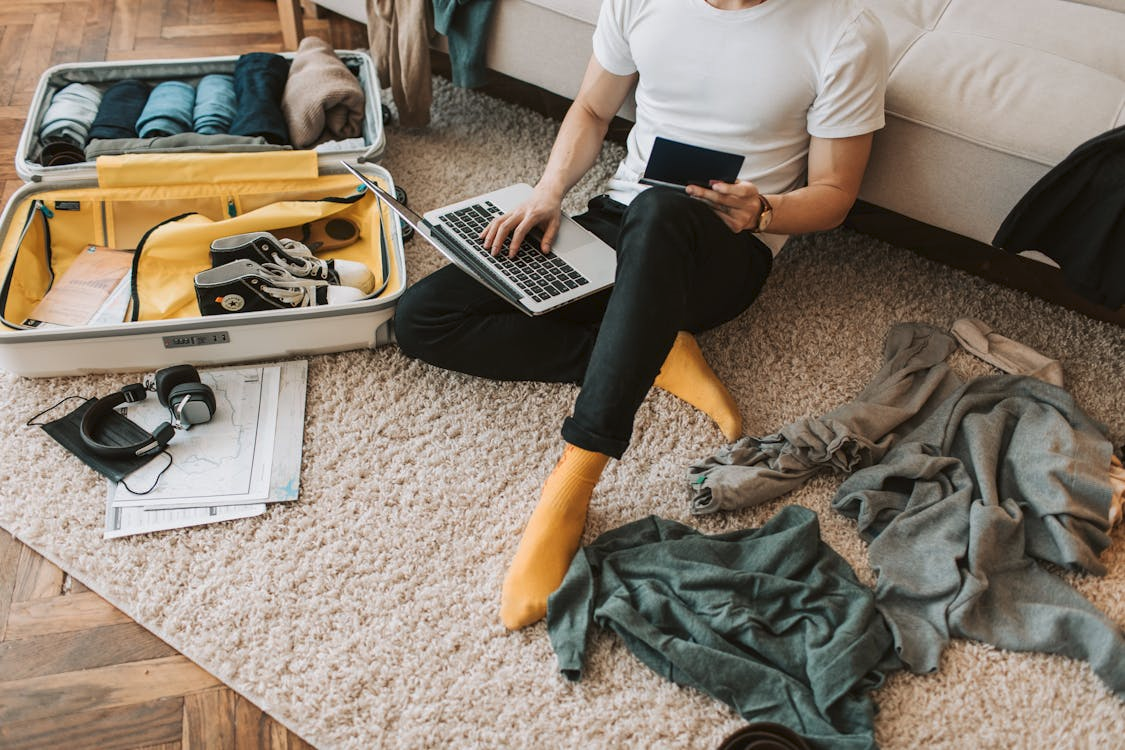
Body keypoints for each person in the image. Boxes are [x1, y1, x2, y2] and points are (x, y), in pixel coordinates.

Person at [393, 0, 890, 630]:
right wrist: (548, 196)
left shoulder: (845, 30)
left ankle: (574, 480)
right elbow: (594, 108)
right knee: (422, 319)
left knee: (662, 212)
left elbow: (835, 194)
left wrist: (763, 210)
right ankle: (650, 352)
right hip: (618, 221)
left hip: (724, 253)